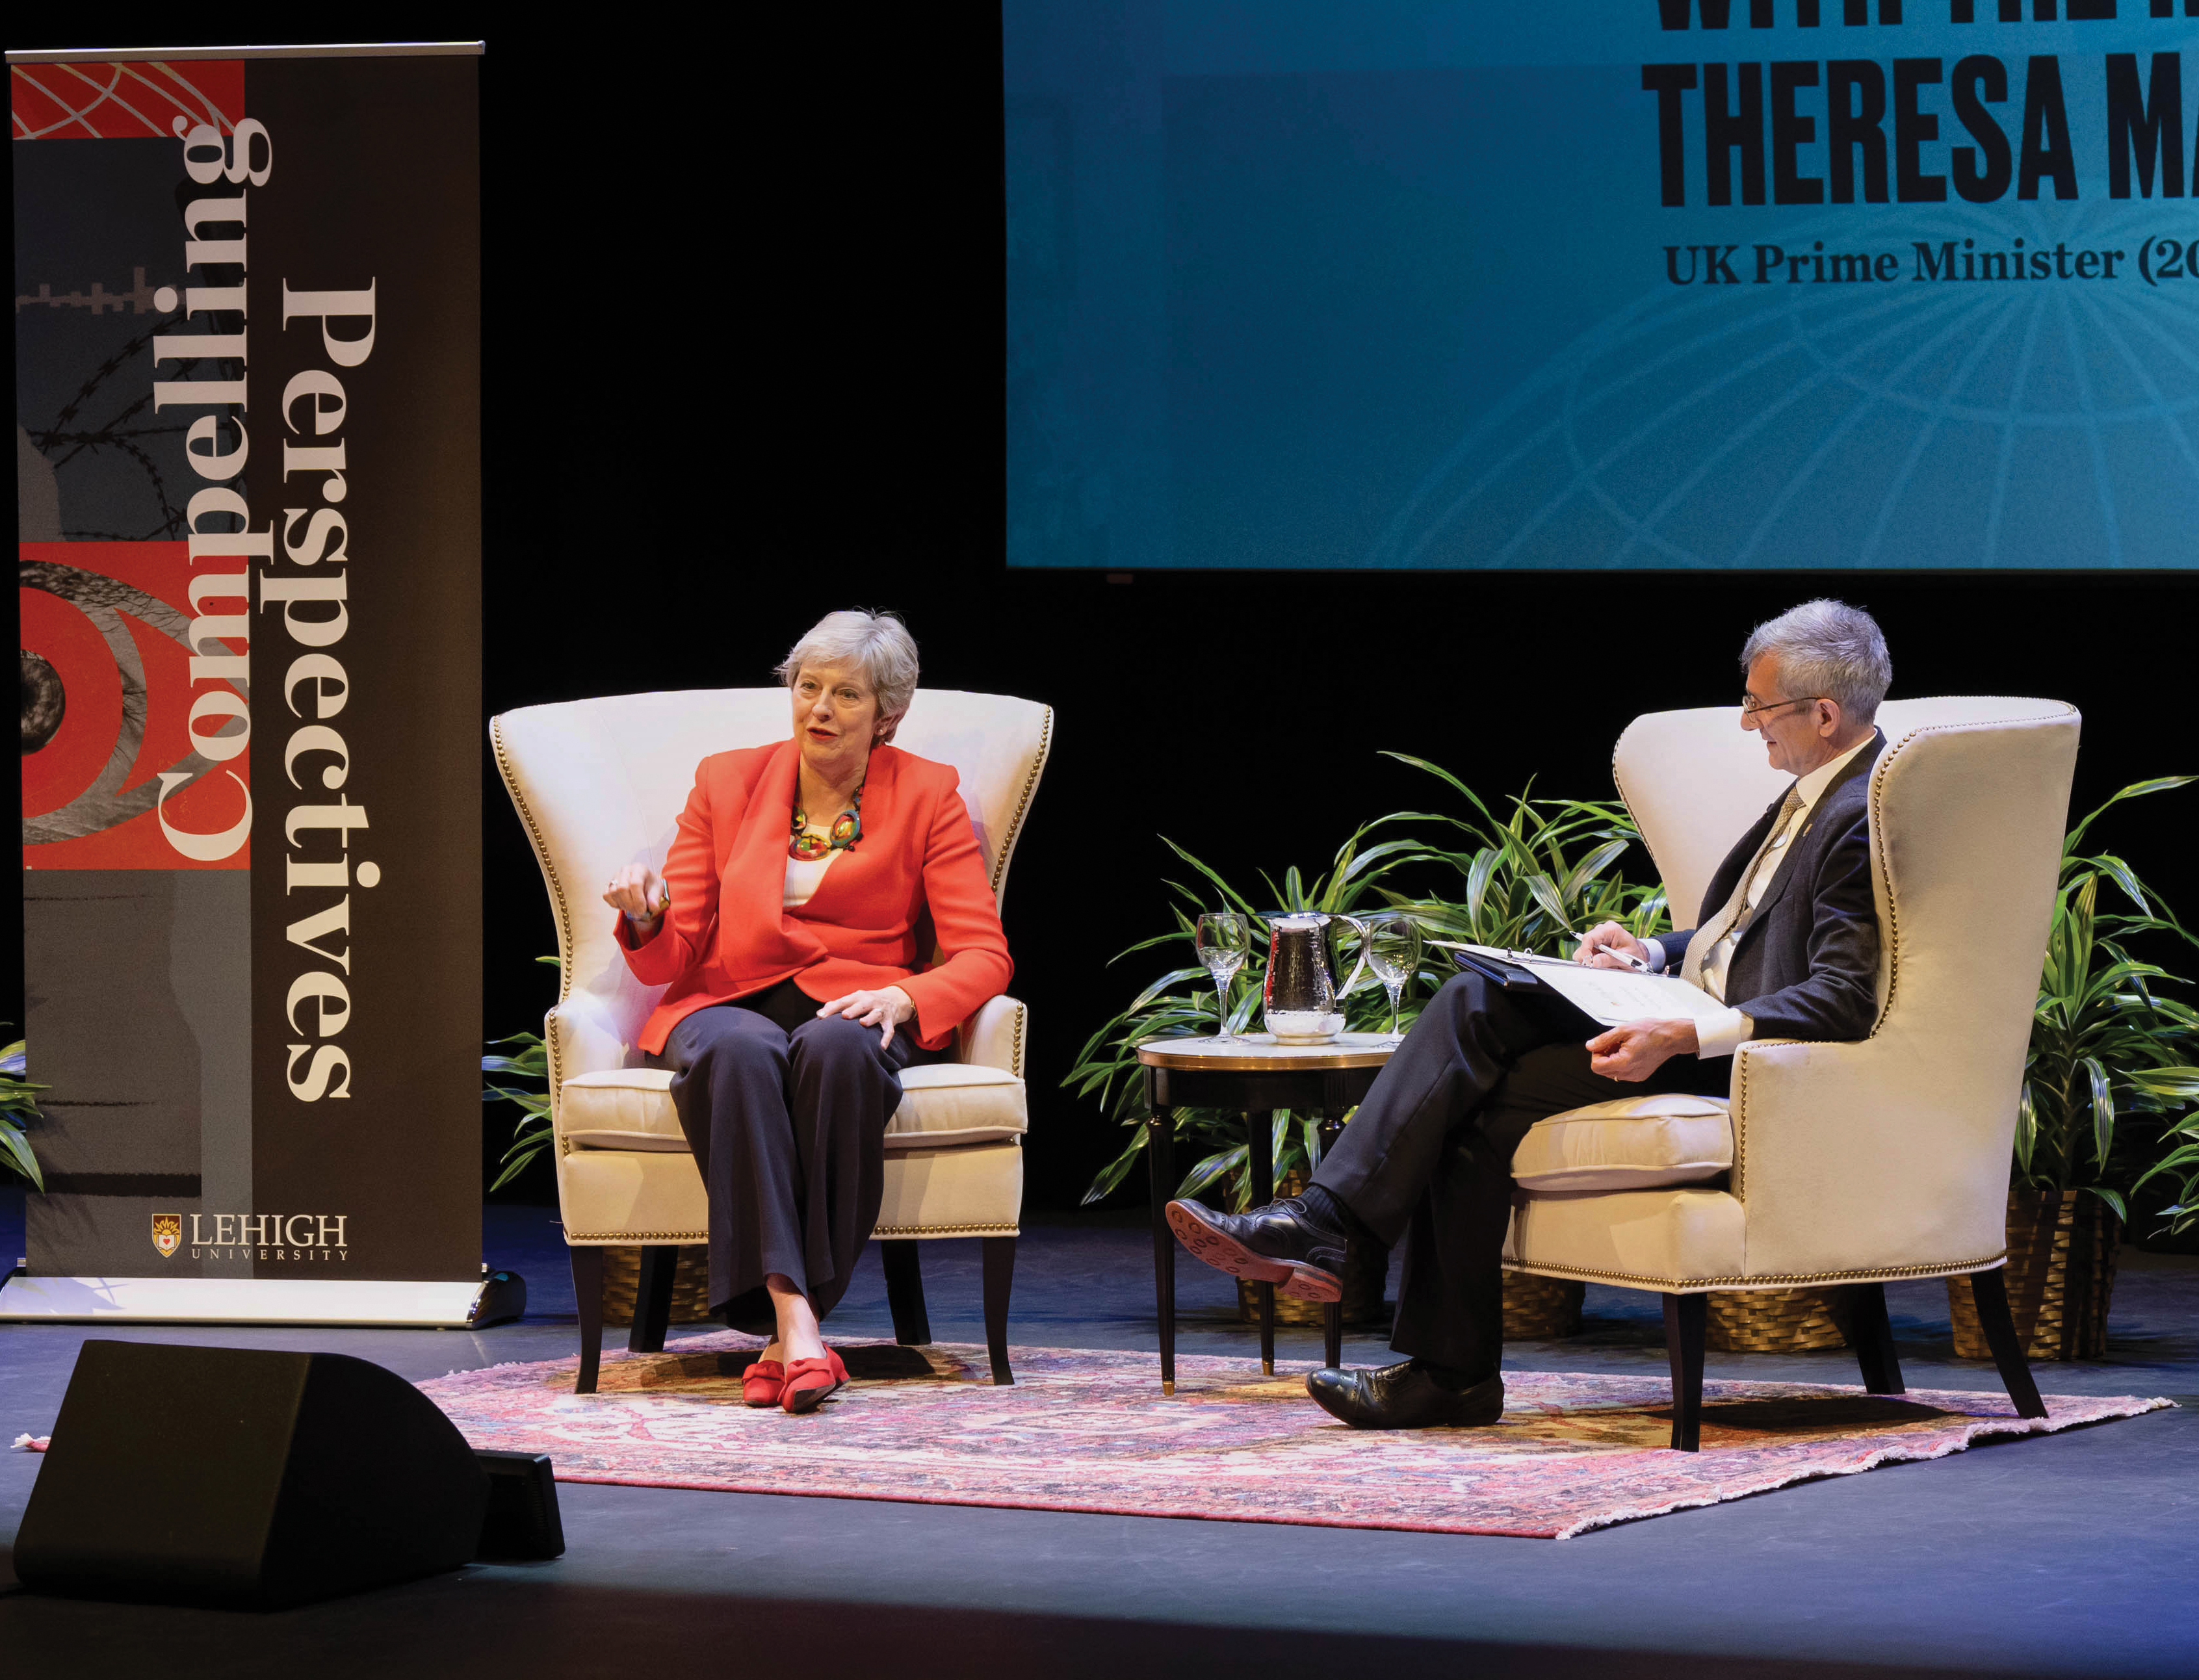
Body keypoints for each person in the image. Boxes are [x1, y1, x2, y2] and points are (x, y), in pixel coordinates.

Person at [1167, 599, 1892, 1428]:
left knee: (1474, 1009)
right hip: (1688, 1013)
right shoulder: (1812, 793)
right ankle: (1446, 1370)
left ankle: (1341, 1242)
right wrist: (1651, 954)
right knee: (1473, 1070)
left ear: (1823, 713)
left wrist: (1682, 1031)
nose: (1745, 722)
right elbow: (1750, 931)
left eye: (1759, 706)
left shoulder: (1858, 811)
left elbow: (1838, 993)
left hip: (1750, 1057)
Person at [604, 610, 1011, 1415]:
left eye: (846, 694)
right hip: (727, 1001)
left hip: (858, 1001)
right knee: (742, 1052)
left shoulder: (927, 792)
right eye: (807, 686)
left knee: (838, 1049)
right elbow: (676, 951)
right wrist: (646, 918)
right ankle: (796, 1317)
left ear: (887, 715)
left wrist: (906, 993)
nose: (819, 707)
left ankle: (787, 1331)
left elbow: (983, 954)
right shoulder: (726, 780)